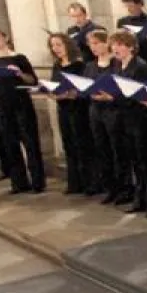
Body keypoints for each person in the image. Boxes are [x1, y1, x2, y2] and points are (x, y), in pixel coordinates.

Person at [0, 26, 46, 195]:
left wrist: (20, 74)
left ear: (5, 38)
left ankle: (37, 181)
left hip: (21, 103)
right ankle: (19, 183)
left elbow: (32, 80)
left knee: (30, 142)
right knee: (9, 143)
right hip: (1, 104)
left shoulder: (19, 58)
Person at [108, 29, 147, 216]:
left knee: (145, 160)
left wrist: (114, 96)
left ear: (131, 47)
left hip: (141, 119)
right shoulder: (118, 66)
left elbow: (140, 94)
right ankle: (141, 198)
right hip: (125, 118)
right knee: (135, 161)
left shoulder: (140, 66)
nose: (115, 49)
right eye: (114, 45)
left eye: (119, 45)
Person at [46, 32, 98, 195]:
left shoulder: (80, 65)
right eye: (53, 46)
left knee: (83, 144)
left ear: (67, 45)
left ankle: (91, 182)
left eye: (59, 45)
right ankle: (75, 183)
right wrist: (52, 93)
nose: (56, 49)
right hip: (63, 108)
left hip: (79, 109)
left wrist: (73, 93)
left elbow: (86, 87)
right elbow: (53, 85)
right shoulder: (57, 65)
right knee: (69, 144)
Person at [85, 29, 134, 205]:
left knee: (118, 150)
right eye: (91, 44)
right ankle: (111, 187)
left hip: (114, 110)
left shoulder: (117, 64)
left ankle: (125, 188)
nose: (94, 47)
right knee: (102, 148)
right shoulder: (90, 66)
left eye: (97, 43)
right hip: (96, 110)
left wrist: (110, 96)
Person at [115, 0, 147, 68]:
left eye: (131, 6)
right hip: (129, 59)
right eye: (126, 6)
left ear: (139, 5)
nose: (128, 9)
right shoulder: (122, 21)